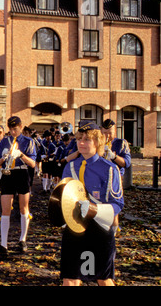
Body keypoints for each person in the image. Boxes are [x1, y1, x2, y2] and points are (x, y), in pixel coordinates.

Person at [60, 120, 124, 286]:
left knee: (103, 279)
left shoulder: (109, 168)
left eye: (86, 139)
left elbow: (117, 204)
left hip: (99, 228)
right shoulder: (70, 167)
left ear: (97, 142)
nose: (81, 143)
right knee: (70, 279)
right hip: (74, 228)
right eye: (79, 139)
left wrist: (94, 209)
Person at [0, 116, 36, 257]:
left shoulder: (29, 142)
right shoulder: (4, 141)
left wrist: (21, 155)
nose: (12, 131)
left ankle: (22, 240)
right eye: (10, 129)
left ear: (21, 127)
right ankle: (3, 244)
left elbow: (33, 163)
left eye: (15, 129)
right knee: (5, 209)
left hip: (22, 174)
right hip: (8, 174)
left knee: (23, 207)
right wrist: (3, 158)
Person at [101, 119, 131, 234]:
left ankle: (113, 229)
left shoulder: (121, 143)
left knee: (113, 204)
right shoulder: (97, 143)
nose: (108, 136)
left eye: (110, 133)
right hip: (100, 176)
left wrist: (114, 156)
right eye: (105, 133)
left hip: (115, 178)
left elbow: (126, 163)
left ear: (115, 132)